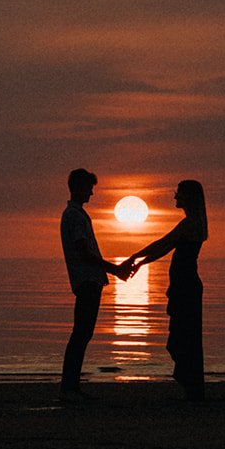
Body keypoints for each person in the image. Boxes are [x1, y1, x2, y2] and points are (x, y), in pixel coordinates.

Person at [126, 179, 208, 400]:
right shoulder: (194, 223)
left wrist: (136, 256)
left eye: (178, 192)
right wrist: (141, 262)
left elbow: (163, 242)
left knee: (184, 334)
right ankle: (192, 387)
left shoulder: (189, 224)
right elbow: (165, 247)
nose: (175, 196)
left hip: (185, 285)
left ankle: (192, 387)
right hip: (185, 284)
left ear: (188, 197)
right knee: (186, 334)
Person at [59, 167, 133, 402]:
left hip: (89, 280)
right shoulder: (74, 216)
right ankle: (69, 388)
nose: (91, 193)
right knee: (81, 333)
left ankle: (71, 386)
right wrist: (115, 269)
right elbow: (84, 253)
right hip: (87, 280)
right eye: (89, 188)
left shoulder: (76, 214)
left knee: (82, 333)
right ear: (78, 187)